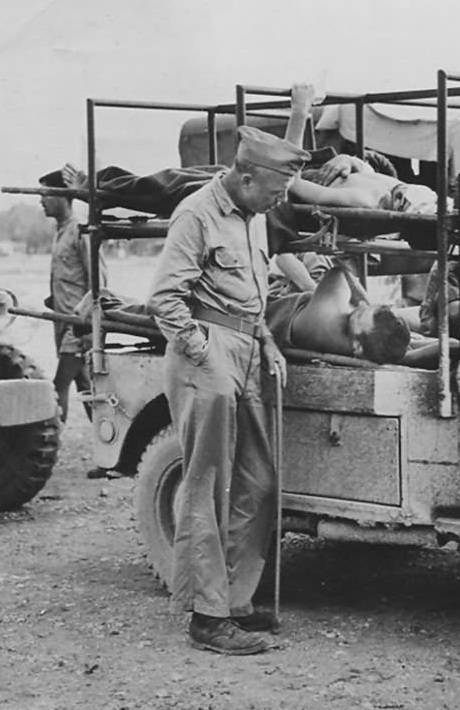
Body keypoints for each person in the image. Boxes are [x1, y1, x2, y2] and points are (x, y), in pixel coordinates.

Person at [147, 125, 307, 655]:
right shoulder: (197, 213)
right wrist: (201, 351)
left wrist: (267, 343)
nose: (279, 201)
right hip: (207, 352)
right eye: (275, 190)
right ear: (244, 176)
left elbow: (253, 295)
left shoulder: (254, 217)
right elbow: (165, 299)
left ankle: (236, 600)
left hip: (246, 350)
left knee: (258, 481)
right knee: (206, 485)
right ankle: (207, 617)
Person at [38, 169, 107, 427]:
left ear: (62, 196)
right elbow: (68, 281)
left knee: (59, 385)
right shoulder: (60, 233)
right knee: (88, 391)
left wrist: (89, 324)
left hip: (77, 329)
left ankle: (48, 444)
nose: (41, 201)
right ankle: (112, 452)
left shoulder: (81, 231)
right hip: (63, 325)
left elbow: (98, 281)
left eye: (45, 195)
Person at [265, 265, 412, 364]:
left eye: (358, 315)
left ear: (358, 347)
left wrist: (365, 300)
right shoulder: (366, 348)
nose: (361, 305)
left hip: (270, 314)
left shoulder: (328, 316)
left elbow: (339, 272)